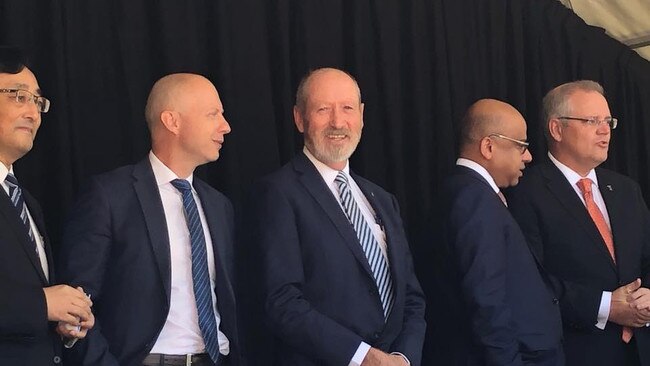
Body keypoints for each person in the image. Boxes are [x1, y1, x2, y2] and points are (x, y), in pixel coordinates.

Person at [58, 73, 241, 366]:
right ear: (173, 121)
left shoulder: (220, 205)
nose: (225, 126)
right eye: (213, 114)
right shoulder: (109, 196)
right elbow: (76, 303)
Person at [248, 67, 426, 366]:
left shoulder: (383, 200)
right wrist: (363, 357)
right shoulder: (277, 193)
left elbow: (411, 297)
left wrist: (402, 358)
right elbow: (282, 302)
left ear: (362, 115)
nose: (337, 122)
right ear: (299, 118)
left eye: (347, 108)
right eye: (322, 109)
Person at [508, 80, 650, 365]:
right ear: (557, 129)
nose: (604, 130)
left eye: (608, 120)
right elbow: (531, 282)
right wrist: (606, 307)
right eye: (592, 120)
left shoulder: (625, 189)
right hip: (577, 352)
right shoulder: (526, 193)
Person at [437, 99, 563, 365]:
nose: (528, 156)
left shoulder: (471, 193)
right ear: (489, 146)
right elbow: (486, 298)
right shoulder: (473, 198)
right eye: (521, 146)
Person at [0, 46, 94, 365]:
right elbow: (35, 302)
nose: (33, 112)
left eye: (38, 101)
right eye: (19, 96)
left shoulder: (28, 203)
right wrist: (41, 304)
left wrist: (62, 322)